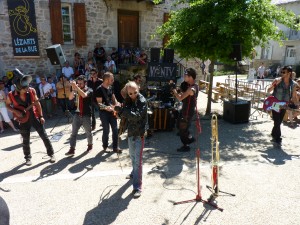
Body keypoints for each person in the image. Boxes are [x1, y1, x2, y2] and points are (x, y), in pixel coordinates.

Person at [6, 69, 56, 165]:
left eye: (28, 86)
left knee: (44, 136)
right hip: (23, 120)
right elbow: (8, 105)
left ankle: (51, 154)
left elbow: (37, 104)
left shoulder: (32, 91)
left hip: (34, 116)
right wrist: (16, 111)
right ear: (18, 88)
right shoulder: (11, 95)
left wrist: (41, 116)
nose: (28, 88)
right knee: (25, 140)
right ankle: (28, 158)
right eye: (25, 87)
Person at [114, 81, 147, 198]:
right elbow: (125, 114)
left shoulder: (142, 101)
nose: (132, 95)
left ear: (138, 89)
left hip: (139, 134)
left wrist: (122, 111)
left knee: (138, 161)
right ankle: (134, 173)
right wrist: (118, 112)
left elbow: (136, 116)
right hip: (131, 133)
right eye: (130, 93)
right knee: (132, 157)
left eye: (134, 92)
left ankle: (137, 187)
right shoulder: (128, 99)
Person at [267, 66, 299, 144]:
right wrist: (275, 84)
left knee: (279, 121)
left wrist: (297, 104)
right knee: (277, 121)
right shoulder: (277, 80)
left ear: (289, 73)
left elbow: (294, 96)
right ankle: (278, 138)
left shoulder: (293, 84)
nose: (282, 73)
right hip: (275, 104)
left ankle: (273, 133)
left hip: (285, 105)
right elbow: (268, 90)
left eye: (284, 72)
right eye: (281, 72)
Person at [65, 75, 94, 156]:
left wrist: (76, 88)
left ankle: (90, 146)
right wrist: (73, 89)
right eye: (78, 83)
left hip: (86, 115)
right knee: (73, 133)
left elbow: (84, 95)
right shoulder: (76, 89)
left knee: (88, 132)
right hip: (77, 114)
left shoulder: (90, 90)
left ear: (85, 83)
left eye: (81, 83)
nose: (79, 85)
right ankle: (72, 149)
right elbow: (70, 98)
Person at [172, 68, 199, 152]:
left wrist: (174, 91)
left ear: (191, 77)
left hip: (187, 112)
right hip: (185, 110)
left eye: (186, 75)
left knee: (182, 129)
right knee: (179, 126)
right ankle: (190, 138)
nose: (184, 76)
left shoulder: (192, 88)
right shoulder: (190, 86)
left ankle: (186, 145)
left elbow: (180, 98)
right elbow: (184, 96)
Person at [95, 72, 122, 153]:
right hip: (104, 113)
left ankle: (115, 147)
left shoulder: (110, 87)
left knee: (115, 130)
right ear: (106, 80)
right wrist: (107, 108)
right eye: (111, 79)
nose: (113, 80)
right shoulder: (99, 89)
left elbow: (113, 98)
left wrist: (117, 104)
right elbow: (100, 105)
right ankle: (105, 146)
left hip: (112, 112)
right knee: (106, 130)